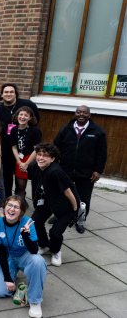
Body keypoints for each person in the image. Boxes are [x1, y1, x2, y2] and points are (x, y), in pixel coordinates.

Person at [53, 105, 107, 234]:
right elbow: (56, 147)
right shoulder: (66, 129)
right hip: (66, 170)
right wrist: (55, 165)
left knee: (84, 199)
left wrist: (98, 170)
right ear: (75, 113)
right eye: (78, 112)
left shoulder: (98, 131)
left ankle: (80, 221)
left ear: (89, 115)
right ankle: (60, 216)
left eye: (84, 112)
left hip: (87, 172)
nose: (81, 114)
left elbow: (102, 153)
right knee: (63, 195)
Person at [0, 195, 46, 318]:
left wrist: (25, 235)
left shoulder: (27, 222)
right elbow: (0, 253)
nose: (12, 209)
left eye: (16, 207)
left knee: (38, 261)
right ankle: (20, 285)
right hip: (7, 257)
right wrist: (7, 278)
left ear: (21, 211)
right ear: (4, 207)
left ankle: (35, 301)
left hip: (25, 256)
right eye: (9, 205)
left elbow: (34, 250)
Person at [29, 143, 79, 267]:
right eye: (39, 154)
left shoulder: (55, 172)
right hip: (47, 200)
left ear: (52, 159)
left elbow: (68, 191)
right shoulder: (35, 166)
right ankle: (44, 245)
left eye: (45, 156)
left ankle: (56, 251)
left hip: (66, 204)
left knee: (55, 232)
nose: (40, 157)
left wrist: (75, 209)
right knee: (34, 222)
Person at [0, 83, 40, 198]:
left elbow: (36, 119)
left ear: (16, 93)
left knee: (21, 175)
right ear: (2, 94)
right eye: (6, 92)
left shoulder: (27, 104)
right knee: (7, 174)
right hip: (8, 146)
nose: (8, 94)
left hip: (26, 148)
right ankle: (7, 197)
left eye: (11, 92)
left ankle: (20, 196)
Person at [11, 106, 41, 200]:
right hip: (19, 160)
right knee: (20, 186)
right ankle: (21, 204)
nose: (23, 117)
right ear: (17, 116)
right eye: (21, 114)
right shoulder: (14, 130)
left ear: (30, 118)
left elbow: (37, 149)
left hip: (32, 159)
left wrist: (26, 163)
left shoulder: (35, 131)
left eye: (26, 115)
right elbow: (14, 147)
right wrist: (19, 162)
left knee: (36, 185)